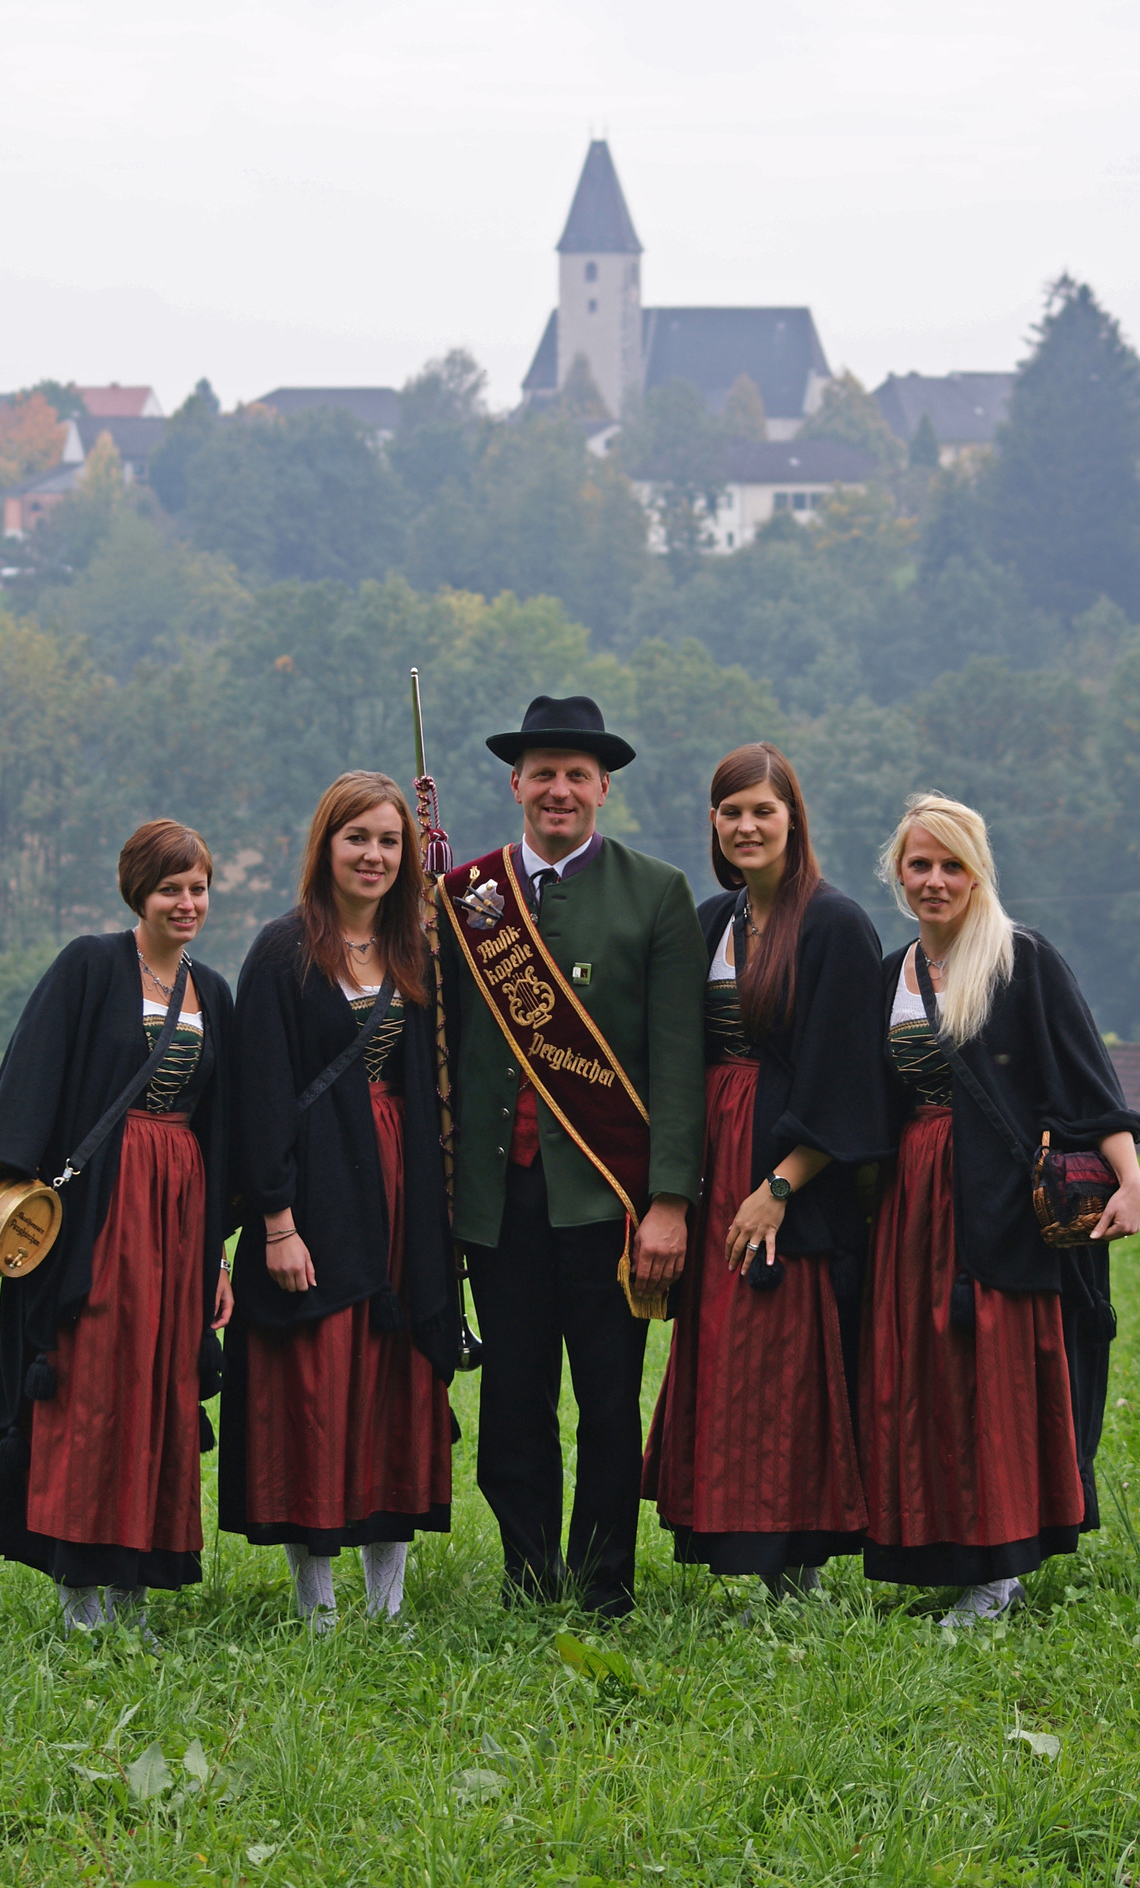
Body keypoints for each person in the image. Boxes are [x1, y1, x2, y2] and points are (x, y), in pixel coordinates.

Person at [439, 694, 707, 1617]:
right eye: (543, 773)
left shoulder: (657, 893)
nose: (559, 790)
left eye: (577, 776)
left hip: (607, 1201)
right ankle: (526, 1577)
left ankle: (601, 1587)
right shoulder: (466, 897)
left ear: (604, 790)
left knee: (603, 1405)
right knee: (513, 1403)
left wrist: (669, 1200)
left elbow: (677, 1062)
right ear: (516, 784)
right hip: (498, 1198)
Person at [860, 793, 1140, 1625]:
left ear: (978, 872)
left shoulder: (1022, 958)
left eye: (953, 865)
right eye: (920, 864)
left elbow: (1086, 1083)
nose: (935, 880)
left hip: (1000, 1206)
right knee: (925, 1379)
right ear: (898, 873)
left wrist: (1128, 1180)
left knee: (995, 1380)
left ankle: (1000, 1574)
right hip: (913, 1206)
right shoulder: (892, 972)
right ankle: (947, 1554)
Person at [0, 820, 234, 1635]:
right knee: (92, 1380)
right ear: (136, 892)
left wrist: (218, 1258)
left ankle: (134, 1591)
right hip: (96, 1214)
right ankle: (79, 1595)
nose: (186, 903)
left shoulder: (215, 989)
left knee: (157, 1389)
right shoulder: (89, 965)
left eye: (198, 887)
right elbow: (28, 1080)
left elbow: (221, 1132)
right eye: (170, 888)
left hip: (179, 1213)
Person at [643, 743, 892, 1602]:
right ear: (712, 824)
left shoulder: (834, 925)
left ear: (793, 819)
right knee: (723, 1358)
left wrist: (778, 1188)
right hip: (713, 1162)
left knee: (785, 1367)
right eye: (730, 811)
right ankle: (736, 1541)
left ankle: (801, 1571)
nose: (746, 826)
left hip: (788, 1180)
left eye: (762, 810)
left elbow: (847, 1081)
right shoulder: (712, 920)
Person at [219, 772, 460, 1628]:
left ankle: (386, 1601)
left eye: (390, 841)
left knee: (394, 1380)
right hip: (316, 1189)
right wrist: (276, 1221)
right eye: (357, 837)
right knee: (315, 1382)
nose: (374, 854)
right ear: (325, 846)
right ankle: (315, 1601)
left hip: (403, 1191)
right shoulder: (284, 952)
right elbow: (259, 1094)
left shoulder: (417, 950)